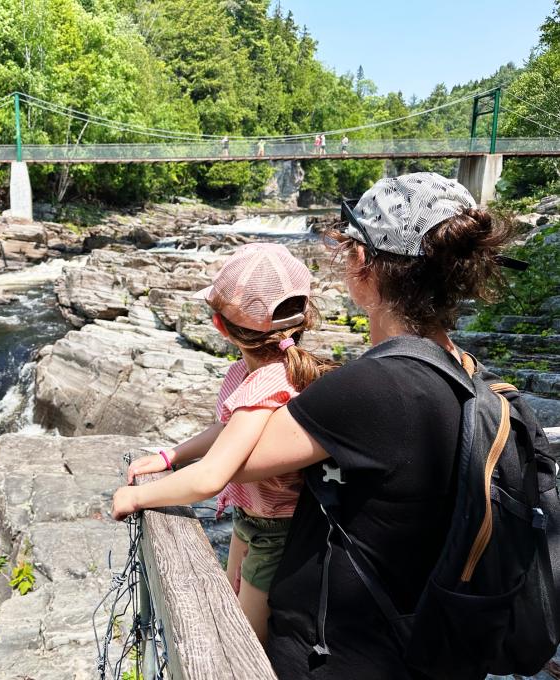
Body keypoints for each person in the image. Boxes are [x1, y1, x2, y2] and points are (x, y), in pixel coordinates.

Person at [216, 173, 516, 678]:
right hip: (427, 647)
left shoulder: (366, 388)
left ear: (361, 263)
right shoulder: (463, 371)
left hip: (337, 658)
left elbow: (236, 463)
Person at [112, 243, 333, 643]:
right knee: (232, 601)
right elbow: (229, 430)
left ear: (220, 326)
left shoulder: (267, 384)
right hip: (252, 518)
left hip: (279, 531)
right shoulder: (249, 374)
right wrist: (171, 455)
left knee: (248, 640)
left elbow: (213, 477)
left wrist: (137, 499)